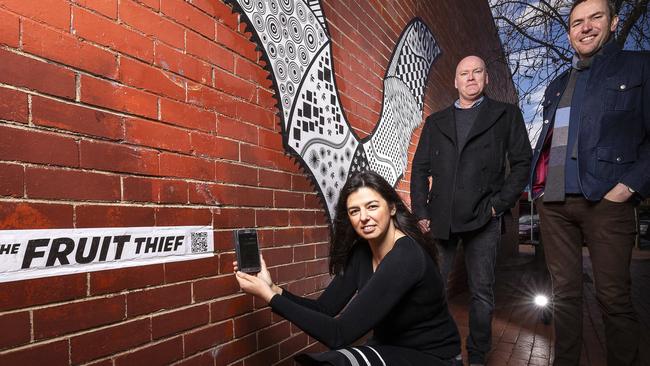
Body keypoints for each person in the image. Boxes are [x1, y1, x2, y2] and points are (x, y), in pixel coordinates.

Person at [234, 170, 462, 366]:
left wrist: (268, 297)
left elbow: (339, 334)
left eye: (372, 206)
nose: (364, 217)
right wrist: (272, 287)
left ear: (391, 208)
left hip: (433, 358)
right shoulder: (362, 253)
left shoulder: (406, 256)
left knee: (335, 361)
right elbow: (324, 308)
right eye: (354, 211)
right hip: (389, 349)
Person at [529, 0, 649, 364]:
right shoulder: (558, 84)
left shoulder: (640, 66)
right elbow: (549, 141)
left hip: (606, 199)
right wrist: (535, 188)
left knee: (613, 297)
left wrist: (627, 187)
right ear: (569, 34)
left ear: (613, 23)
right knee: (564, 296)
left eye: (595, 17)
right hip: (553, 205)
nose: (585, 27)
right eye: (577, 22)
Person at [410, 55, 532, 365]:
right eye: (464, 73)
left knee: (481, 292)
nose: (471, 77)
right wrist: (422, 211)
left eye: (477, 71)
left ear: (487, 78)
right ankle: (433, 346)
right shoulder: (435, 121)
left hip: (484, 217)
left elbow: (521, 164)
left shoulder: (506, 115)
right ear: (455, 81)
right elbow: (420, 168)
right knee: (432, 286)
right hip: (441, 217)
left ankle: (477, 356)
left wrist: (497, 206)